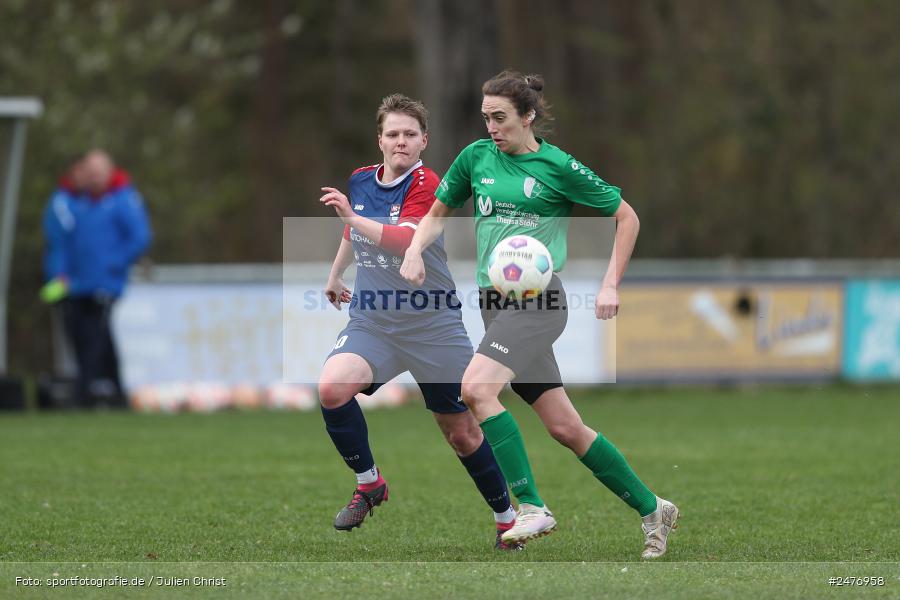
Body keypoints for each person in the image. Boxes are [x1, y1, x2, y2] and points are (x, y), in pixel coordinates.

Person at [400, 71, 679, 558]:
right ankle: (655, 508)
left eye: (501, 118)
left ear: (527, 117)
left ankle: (530, 506)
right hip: (494, 304)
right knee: (565, 428)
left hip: (539, 301)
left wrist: (611, 282)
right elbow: (438, 213)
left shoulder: (559, 166)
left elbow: (626, 216)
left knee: (475, 389)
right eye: (486, 117)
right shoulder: (475, 158)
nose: (491, 127)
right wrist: (415, 251)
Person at [317, 94, 520, 550]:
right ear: (380, 140)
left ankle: (507, 519)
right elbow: (355, 230)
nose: (401, 142)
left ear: (424, 140)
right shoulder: (361, 180)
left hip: (433, 326)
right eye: (393, 133)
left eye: (410, 134)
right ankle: (369, 483)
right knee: (332, 388)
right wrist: (335, 274)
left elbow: (404, 238)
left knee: (462, 433)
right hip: (374, 320)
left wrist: (352, 216)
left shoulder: (430, 183)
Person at [41, 150, 152, 408]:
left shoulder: (123, 199)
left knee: (93, 336)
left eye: (98, 172)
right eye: (89, 172)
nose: (93, 178)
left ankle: (83, 393)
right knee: (90, 336)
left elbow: (139, 237)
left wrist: (114, 263)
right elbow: (61, 246)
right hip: (76, 284)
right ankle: (115, 393)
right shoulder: (78, 202)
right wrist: (58, 279)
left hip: (105, 282)